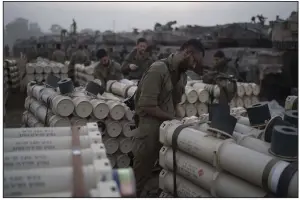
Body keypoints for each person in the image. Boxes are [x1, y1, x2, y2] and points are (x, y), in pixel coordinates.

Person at [133, 39, 205, 197]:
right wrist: (173, 118)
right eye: (194, 61)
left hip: (166, 130)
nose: (194, 66)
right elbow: (146, 105)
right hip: (149, 130)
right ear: (187, 53)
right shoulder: (158, 69)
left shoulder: (182, 76)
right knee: (139, 178)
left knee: (165, 175)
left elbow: (174, 103)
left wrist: (183, 121)